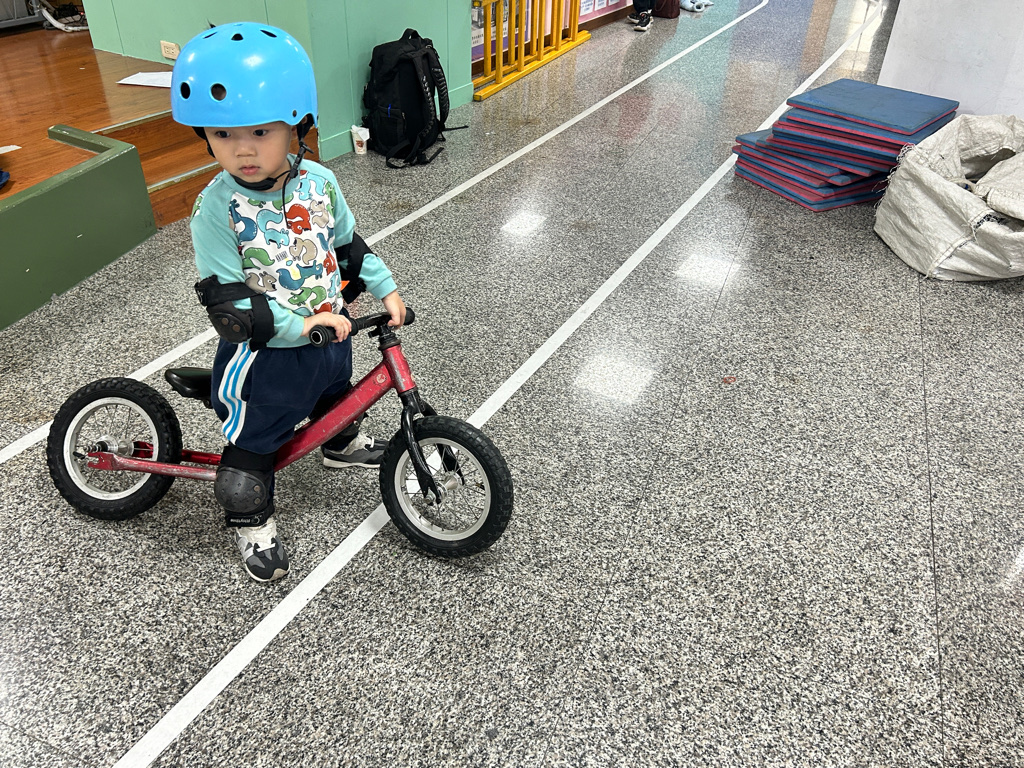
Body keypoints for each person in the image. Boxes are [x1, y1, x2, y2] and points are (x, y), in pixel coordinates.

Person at [170, 22, 406, 583]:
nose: (243, 149)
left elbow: (346, 245)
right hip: (265, 357)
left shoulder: (320, 182)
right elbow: (232, 303)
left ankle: (339, 441)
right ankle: (251, 523)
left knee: (334, 393)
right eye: (222, 134)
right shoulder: (215, 209)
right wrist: (301, 327)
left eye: (260, 130)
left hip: (330, 333)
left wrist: (385, 286)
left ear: (297, 124)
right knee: (254, 445)